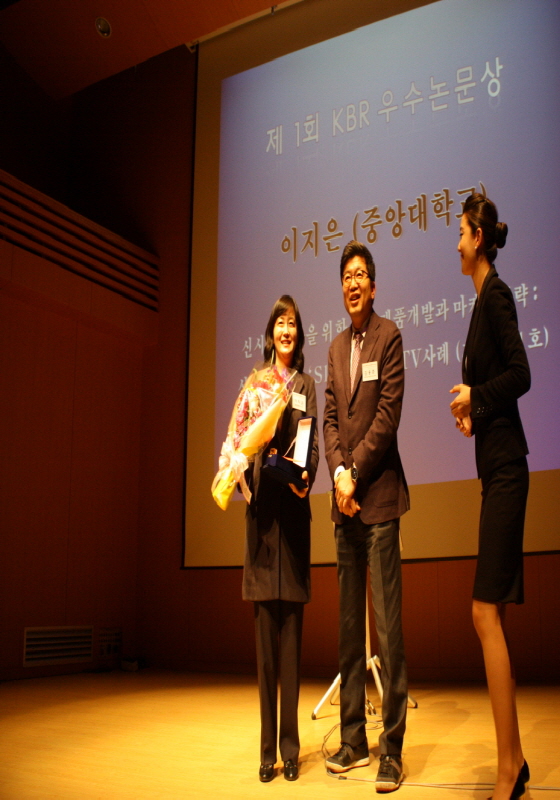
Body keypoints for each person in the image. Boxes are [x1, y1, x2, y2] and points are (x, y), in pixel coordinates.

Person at [449, 194, 531, 800]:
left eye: (459, 233)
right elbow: (495, 385)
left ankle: (509, 770)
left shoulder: (496, 294)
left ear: (478, 238)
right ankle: (514, 760)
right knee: (488, 614)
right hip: (494, 468)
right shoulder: (480, 303)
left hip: (506, 471)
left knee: (483, 613)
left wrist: (476, 398)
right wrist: (473, 411)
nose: (455, 244)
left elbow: (521, 374)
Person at [323, 241, 410, 793]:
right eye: (346, 276)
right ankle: (353, 739)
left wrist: (354, 472)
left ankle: (392, 749)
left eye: (361, 276)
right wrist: (338, 474)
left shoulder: (390, 336)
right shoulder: (334, 347)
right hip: (345, 504)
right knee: (350, 629)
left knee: (388, 629)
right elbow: (330, 418)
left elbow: (387, 416)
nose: (353, 283)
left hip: (378, 501)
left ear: (373, 287)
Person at [240, 295, 319, 783]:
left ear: (298, 334)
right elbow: (242, 443)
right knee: (265, 652)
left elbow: (312, 443)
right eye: (280, 323)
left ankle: (291, 749)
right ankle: (266, 751)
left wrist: (306, 476)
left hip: (293, 519)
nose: (286, 330)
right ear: (270, 333)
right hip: (262, 522)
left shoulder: (307, 385)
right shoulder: (255, 384)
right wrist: (246, 461)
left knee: (290, 646)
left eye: (292, 323)